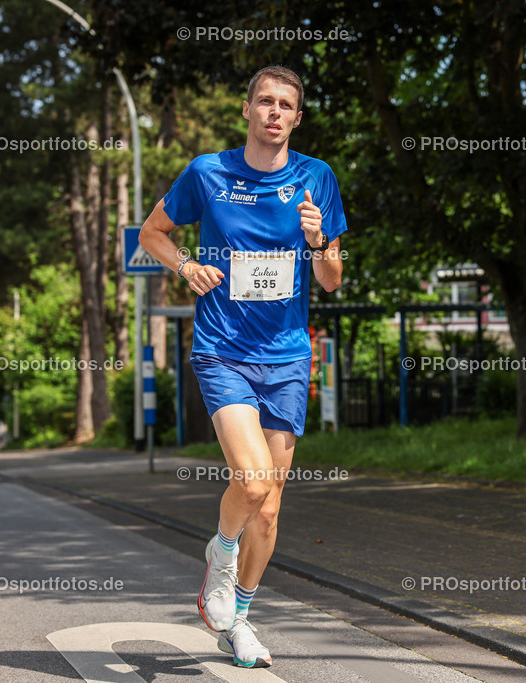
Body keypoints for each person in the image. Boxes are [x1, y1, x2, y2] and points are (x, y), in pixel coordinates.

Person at [139, 65, 346, 668]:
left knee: (274, 504)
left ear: (297, 118)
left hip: (286, 356)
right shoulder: (209, 172)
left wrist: (317, 244)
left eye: (286, 104)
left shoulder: (317, 179)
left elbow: (332, 279)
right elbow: (153, 233)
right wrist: (186, 267)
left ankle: (242, 622)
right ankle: (220, 554)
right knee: (251, 482)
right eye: (265, 101)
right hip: (223, 349)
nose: (275, 112)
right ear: (249, 110)